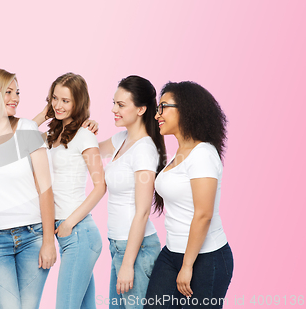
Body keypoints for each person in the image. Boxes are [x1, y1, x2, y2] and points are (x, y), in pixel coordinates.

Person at [0, 69, 56, 309]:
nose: (15, 98)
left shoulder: (27, 128)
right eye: (7, 92)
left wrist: (49, 241)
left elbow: (45, 189)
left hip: (32, 237)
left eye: (17, 92)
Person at [144, 81, 233, 309]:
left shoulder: (202, 154)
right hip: (172, 252)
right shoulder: (180, 153)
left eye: (163, 107)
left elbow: (204, 214)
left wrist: (187, 265)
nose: (157, 115)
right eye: (157, 109)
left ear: (186, 109)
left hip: (206, 258)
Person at [97, 76, 165, 309]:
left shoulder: (144, 150)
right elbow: (88, 151)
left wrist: (127, 264)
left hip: (136, 250)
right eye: (114, 103)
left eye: (121, 105)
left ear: (141, 109)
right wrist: (87, 130)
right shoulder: (121, 139)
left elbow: (143, 212)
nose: (114, 110)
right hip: (118, 245)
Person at [40, 73, 106, 309]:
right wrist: (46, 113)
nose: (58, 105)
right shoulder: (50, 136)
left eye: (65, 101)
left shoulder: (85, 135)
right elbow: (18, 135)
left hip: (78, 233)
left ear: (78, 103)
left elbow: (100, 186)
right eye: (54, 98)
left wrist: (69, 223)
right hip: (66, 234)